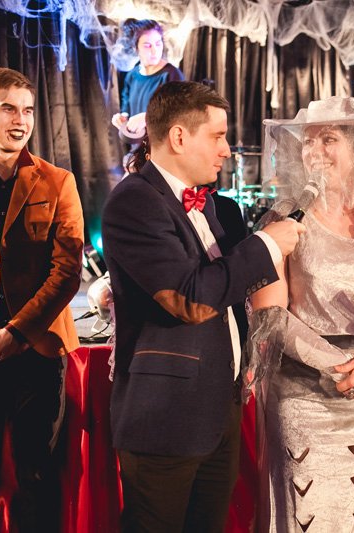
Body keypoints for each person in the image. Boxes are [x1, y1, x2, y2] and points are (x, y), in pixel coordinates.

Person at [101, 80, 304, 533]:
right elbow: (189, 299)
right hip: (165, 416)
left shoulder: (216, 207)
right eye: (218, 136)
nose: (227, 151)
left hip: (217, 409)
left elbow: (236, 292)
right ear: (178, 137)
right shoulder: (134, 201)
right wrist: (264, 245)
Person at [247, 96, 354, 532]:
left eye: (328, 139)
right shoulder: (285, 218)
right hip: (304, 398)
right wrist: (340, 367)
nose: (315, 151)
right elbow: (270, 313)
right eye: (308, 141)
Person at [0, 67, 84, 532]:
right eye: (9, 108)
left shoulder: (58, 180)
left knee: (38, 478)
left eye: (28, 110)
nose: (21, 120)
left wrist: (15, 333)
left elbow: (67, 271)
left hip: (40, 348)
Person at [111, 19, 184, 156]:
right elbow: (127, 108)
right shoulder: (132, 76)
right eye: (147, 45)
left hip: (165, 152)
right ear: (135, 48)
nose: (155, 50)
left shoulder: (172, 75)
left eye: (158, 43)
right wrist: (122, 118)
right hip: (138, 151)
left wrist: (147, 117)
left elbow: (180, 113)